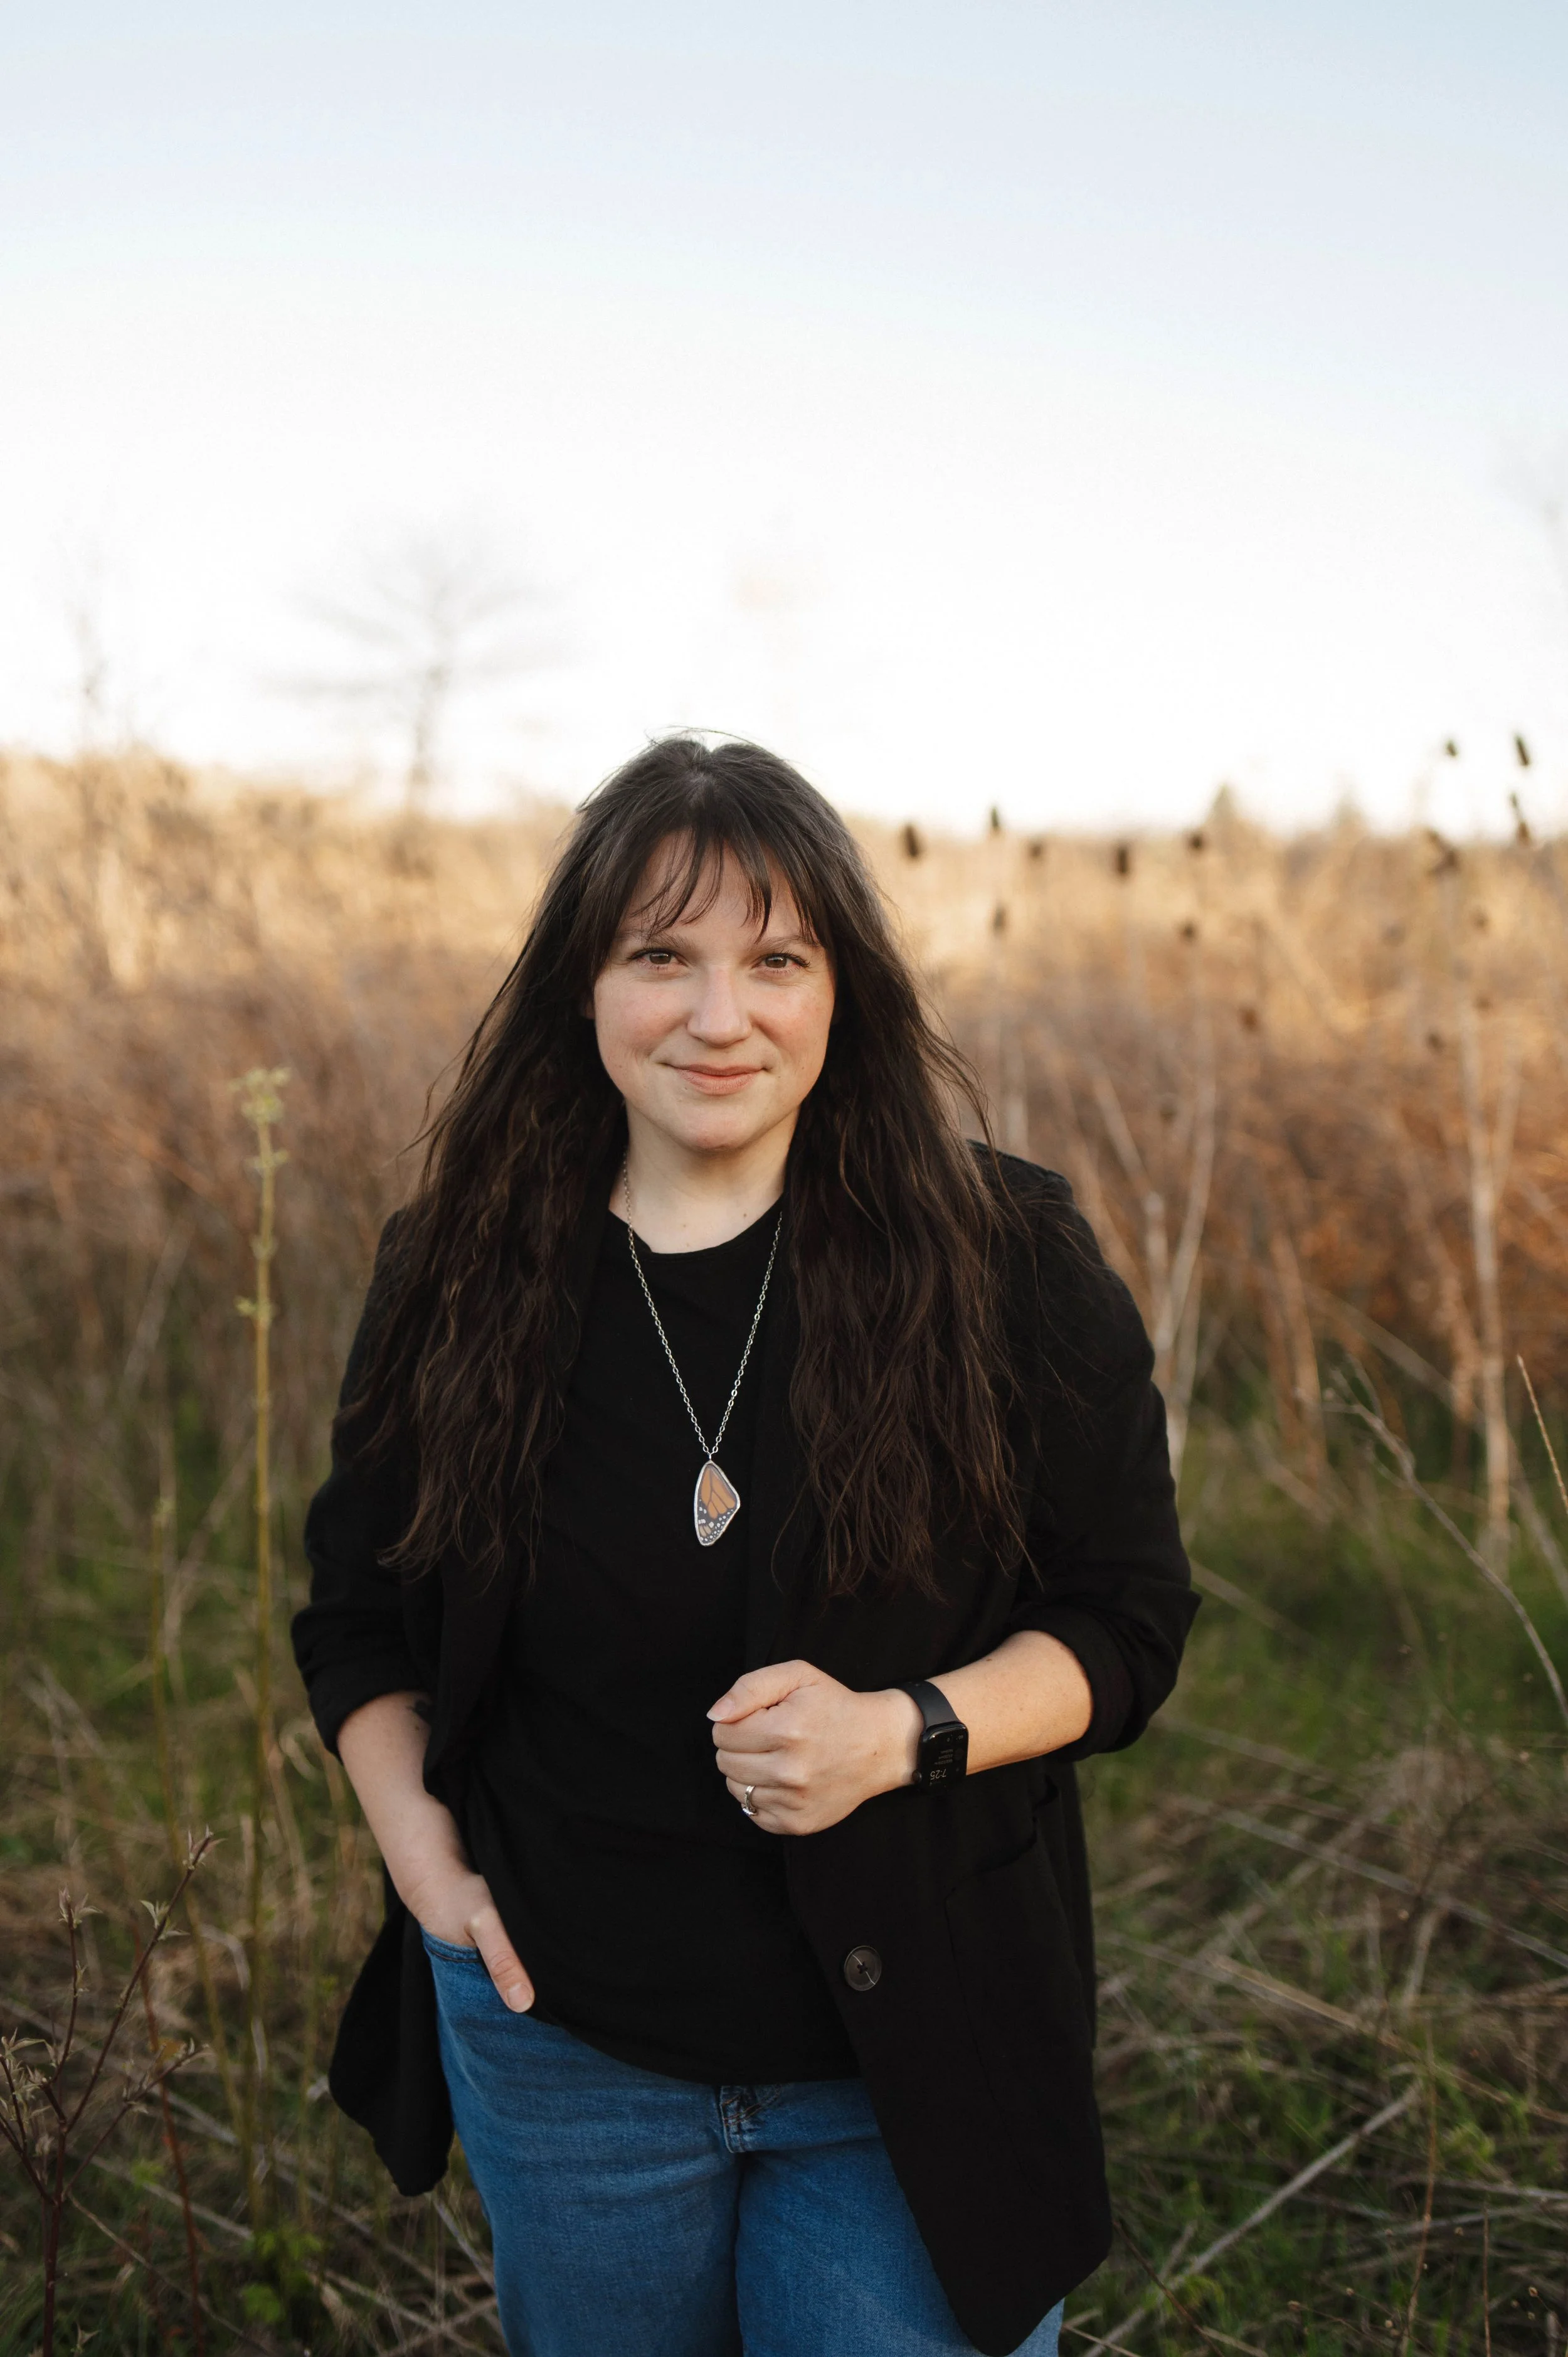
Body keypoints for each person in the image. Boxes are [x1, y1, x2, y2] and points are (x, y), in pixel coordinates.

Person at [292, 735, 1195, 2357]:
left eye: (775, 958)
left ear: (841, 987)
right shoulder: (460, 1270)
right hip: (562, 2048)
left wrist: (899, 1732)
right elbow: (357, 1617)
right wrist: (430, 1875)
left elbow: (1124, 1620)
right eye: (663, 956)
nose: (721, 1015)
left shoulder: (1003, 1261)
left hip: (911, 2056)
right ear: (584, 982)